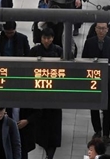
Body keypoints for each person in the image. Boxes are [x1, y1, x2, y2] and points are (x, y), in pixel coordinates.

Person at [82, 22, 110, 145]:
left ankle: (106, 134)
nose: (101, 31)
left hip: (108, 81)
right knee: (94, 106)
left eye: (103, 28)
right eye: (99, 28)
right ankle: (97, 130)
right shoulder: (90, 42)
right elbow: (84, 59)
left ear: (107, 29)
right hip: (93, 80)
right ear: (95, 29)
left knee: (107, 107)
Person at [29, 29, 63, 159]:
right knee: (42, 129)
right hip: (40, 94)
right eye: (44, 38)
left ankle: (50, 154)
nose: (47, 40)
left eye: (49, 38)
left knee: (53, 130)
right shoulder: (35, 51)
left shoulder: (59, 51)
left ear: (53, 38)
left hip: (54, 96)